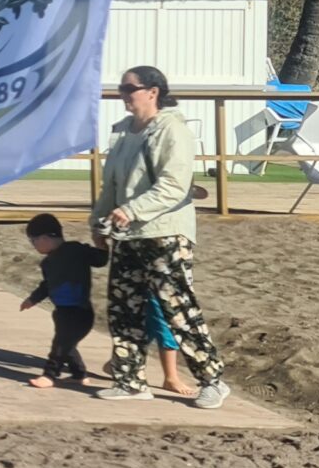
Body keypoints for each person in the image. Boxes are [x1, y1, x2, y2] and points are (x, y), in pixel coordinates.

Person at [93, 65, 229, 408]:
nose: (123, 94)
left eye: (129, 88)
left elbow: (174, 185)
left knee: (177, 307)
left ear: (152, 92)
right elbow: (111, 185)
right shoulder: (124, 134)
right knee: (124, 308)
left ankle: (211, 379)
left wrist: (132, 210)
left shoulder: (172, 130)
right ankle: (130, 380)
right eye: (121, 89)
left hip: (165, 233)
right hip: (127, 236)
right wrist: (99, 223)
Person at [18, 212, 103, 389]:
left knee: (60, 344)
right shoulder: (48, 263)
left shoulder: (75, 250)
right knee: (67, 344)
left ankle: (50, 375)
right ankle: (79, 375)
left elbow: (100, 260)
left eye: (33, 241)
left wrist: (100, 243)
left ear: (45, 238)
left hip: (80, 311)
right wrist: (32, 299)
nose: (33, 246)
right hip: (62, 311)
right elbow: (47, 285)